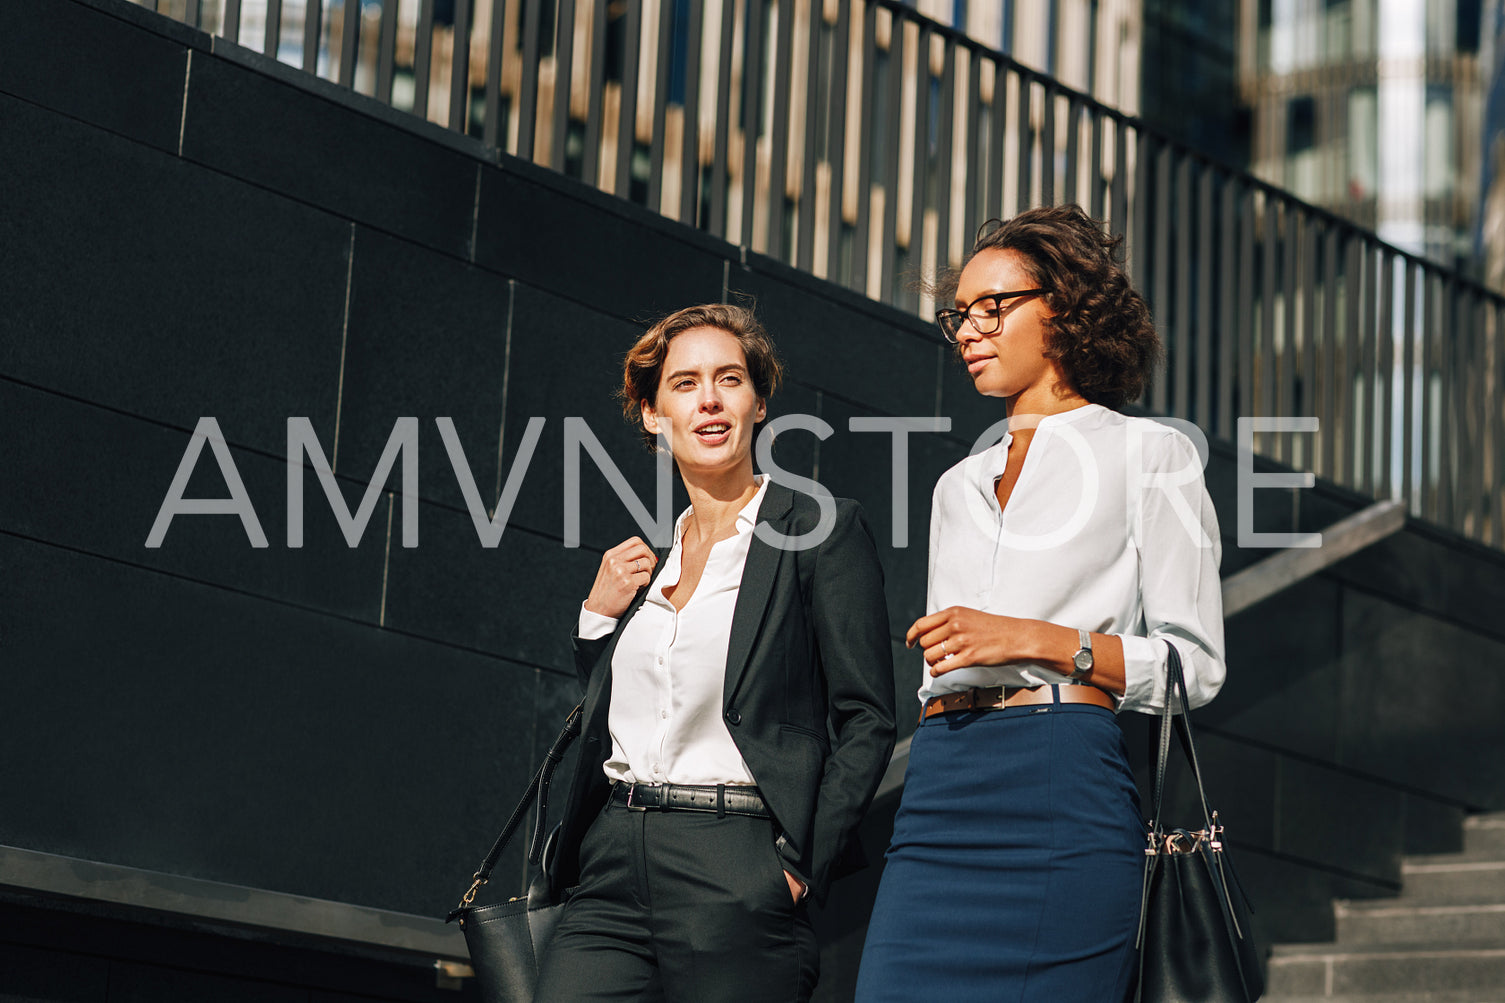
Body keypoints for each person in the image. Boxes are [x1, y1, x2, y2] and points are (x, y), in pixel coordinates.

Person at [854, 204, 1227, 1002]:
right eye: (959, 312)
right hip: (941, 785)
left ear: (1063, 308)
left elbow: (1194, 666)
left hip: (1062, 779)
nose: (967, 328)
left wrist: (1038, 638)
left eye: (994, 306)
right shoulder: (957, 484)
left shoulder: (1149, 454)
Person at [535, 303, 897, 1003]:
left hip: (733, 859)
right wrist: (596, 620)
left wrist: (796, 864)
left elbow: (867, 716)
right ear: (650, 412)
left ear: (759, 402)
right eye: (684, 382)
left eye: (728, 379)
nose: (708, 399)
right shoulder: (649, 570)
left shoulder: (816, 532)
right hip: (611, 859)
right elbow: (630, 714)